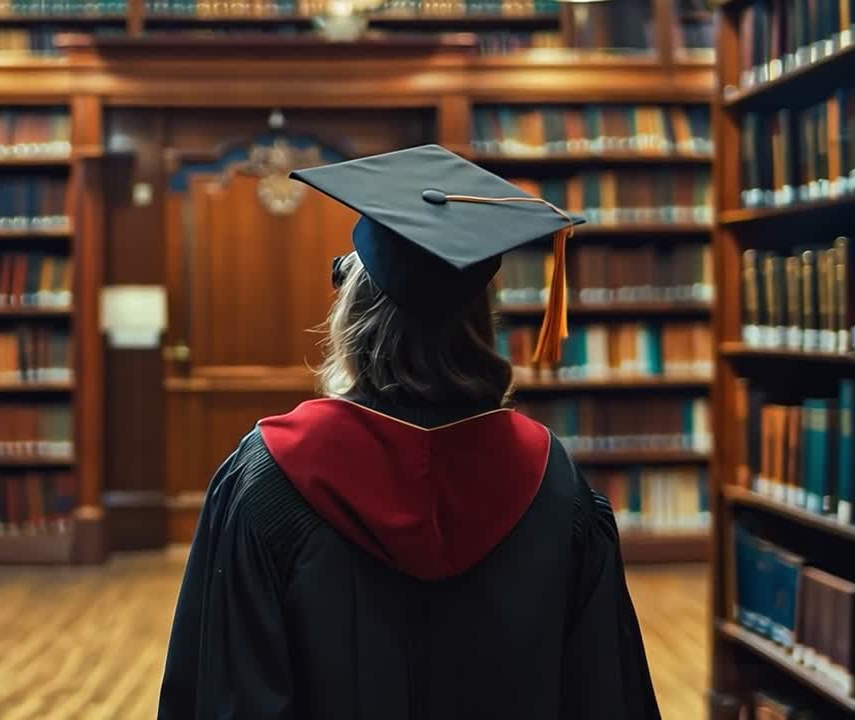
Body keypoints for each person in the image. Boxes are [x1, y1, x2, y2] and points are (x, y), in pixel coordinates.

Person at [158, 144, 661, 719]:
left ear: (354, 313)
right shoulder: (551, 483)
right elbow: (602, 694)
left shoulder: (272, 477)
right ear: (480, 322)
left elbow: (224, 695)